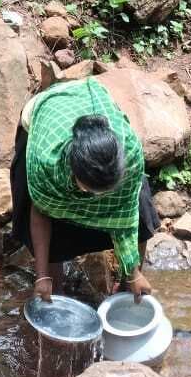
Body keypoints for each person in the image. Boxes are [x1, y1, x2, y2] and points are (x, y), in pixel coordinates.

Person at [10, 77, 159, 304]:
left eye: (107, 192)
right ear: (74, 172)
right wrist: (42, 276)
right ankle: (55, 290)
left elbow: (127, 214)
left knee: (141, 208)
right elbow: (40, 213)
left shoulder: (129, 153)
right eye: (93, 191)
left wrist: (133, 273)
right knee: (56, 230)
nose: (100, 199)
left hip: (91, 115)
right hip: (45, 118)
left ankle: (127, 285)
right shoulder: (48, 163)